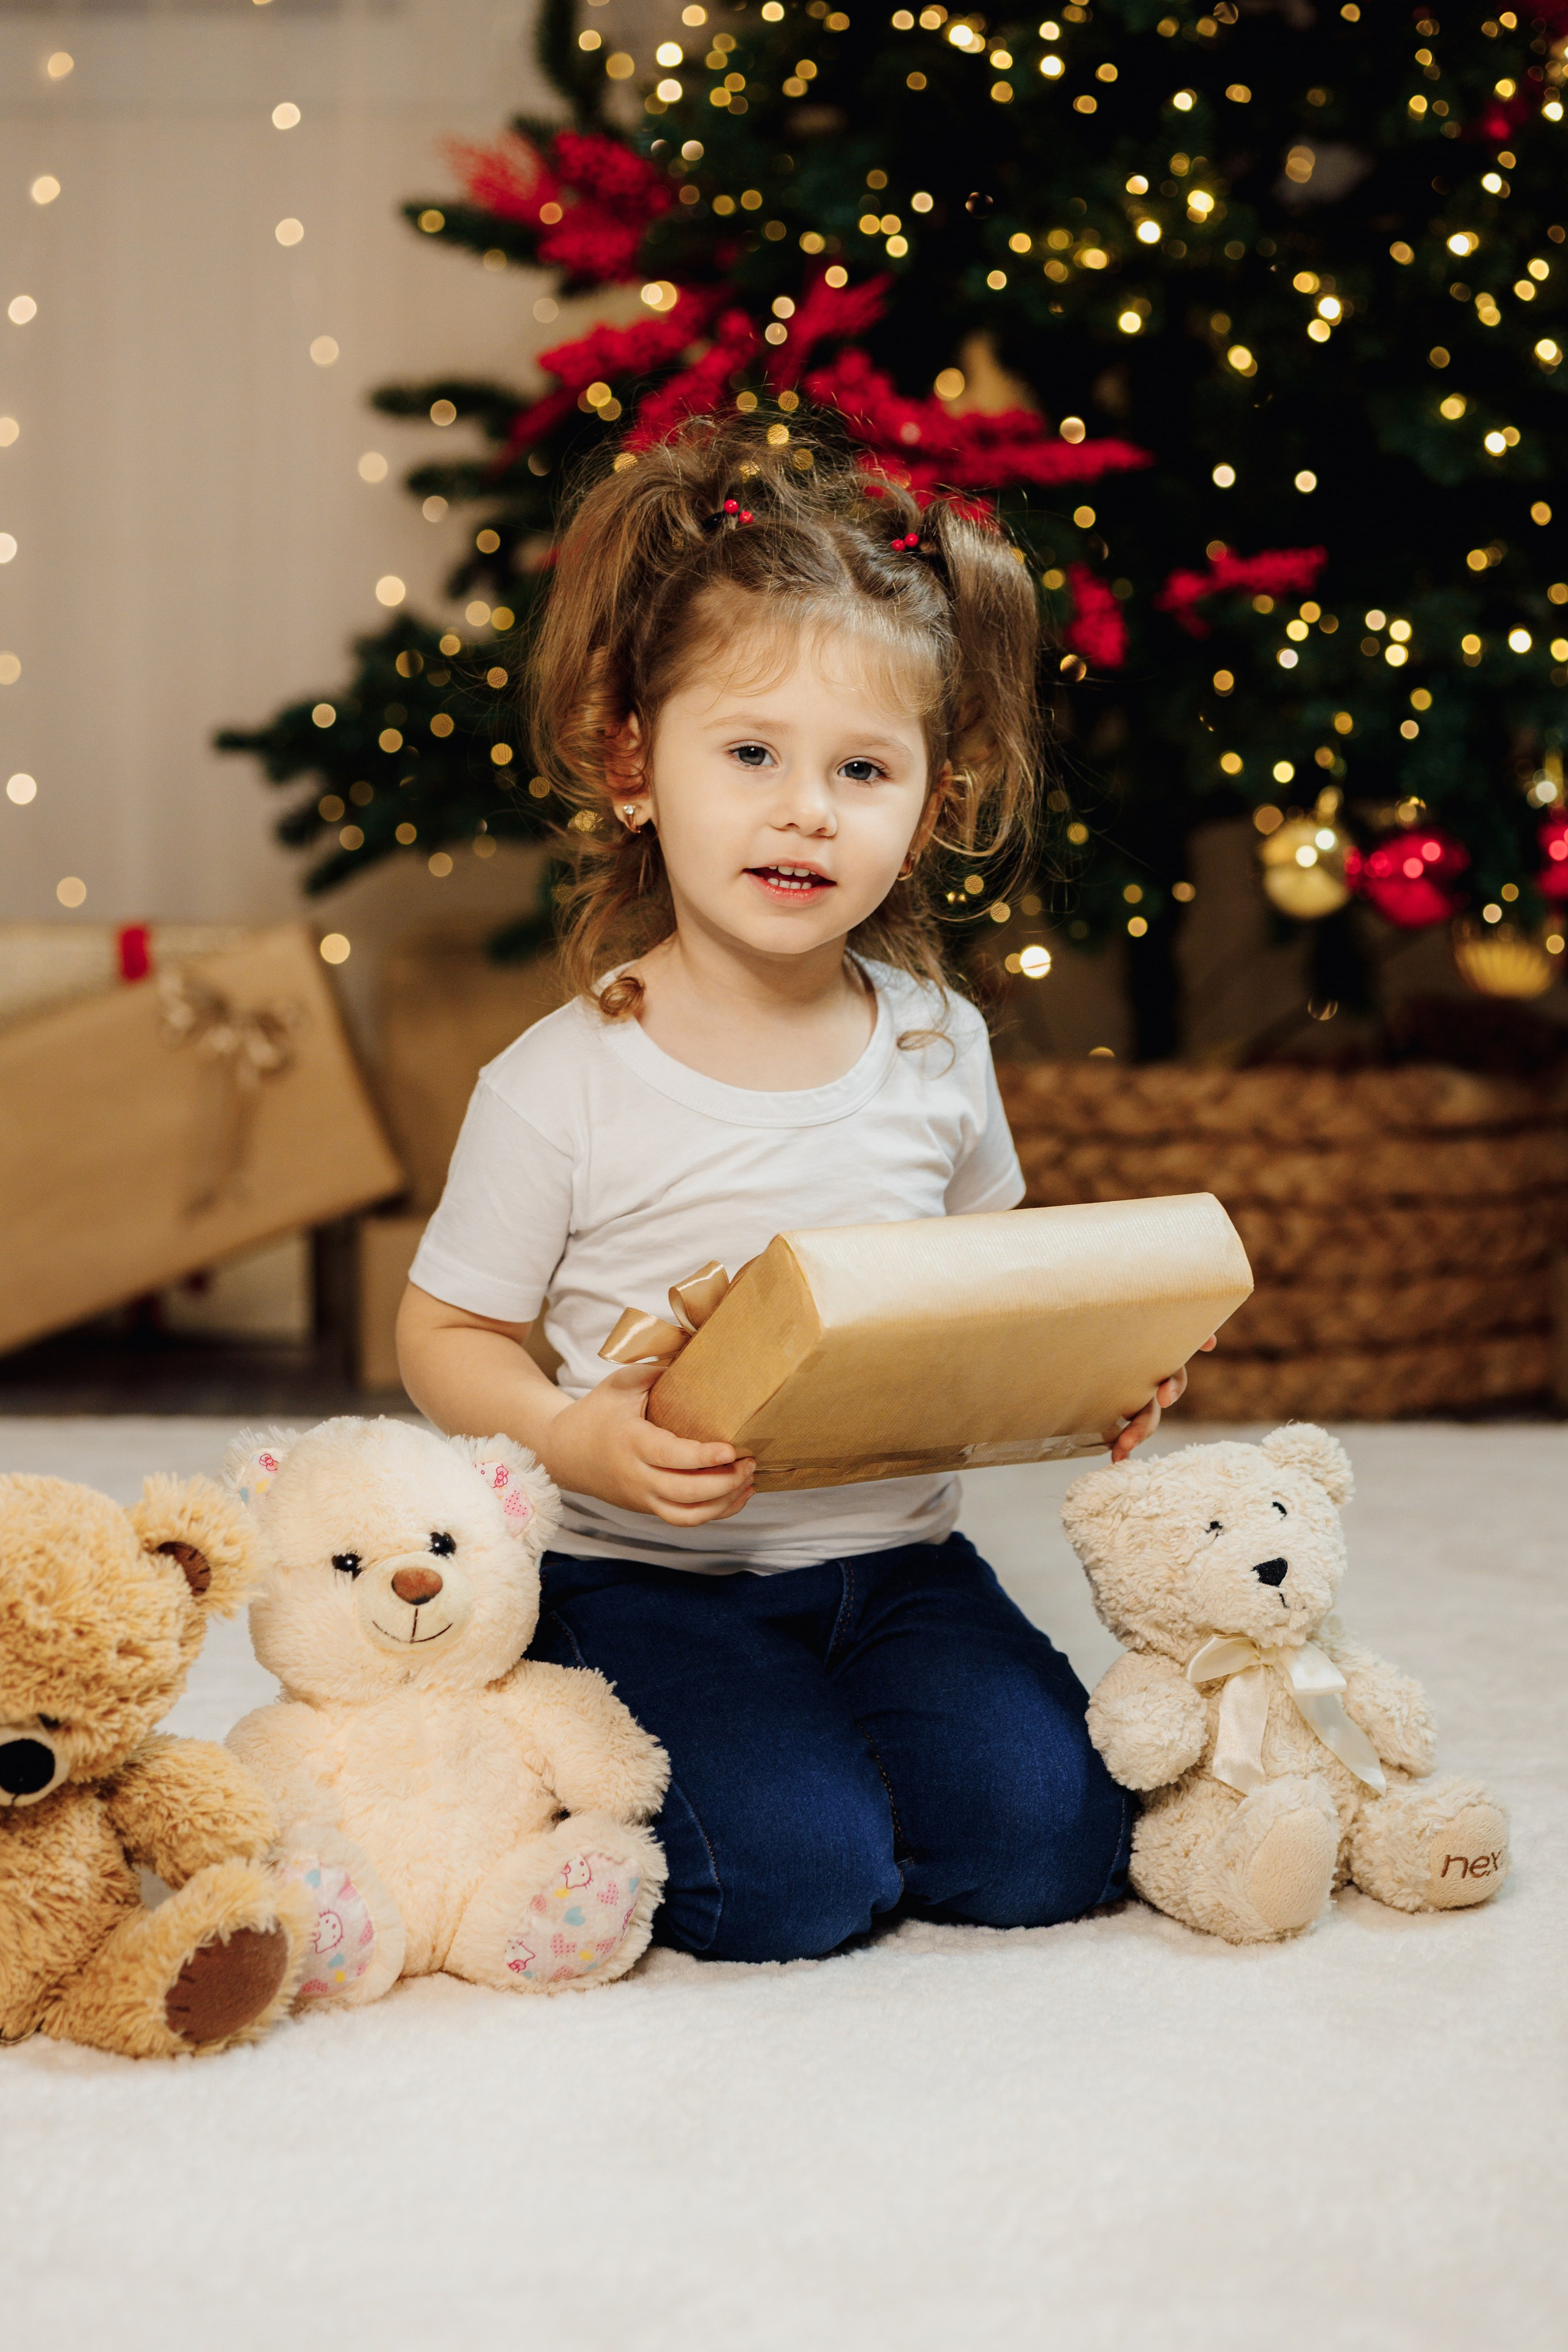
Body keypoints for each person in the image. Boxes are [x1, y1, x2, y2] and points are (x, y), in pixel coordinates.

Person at [397, 420, 1208, 1964]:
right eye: (750, 753)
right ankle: (564, 1738)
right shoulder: (558, 1083)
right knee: (793, 1891)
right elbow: (446, 1332)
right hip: (645, 1581)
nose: (805, 809)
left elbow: (982, 1280)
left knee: (1050, 1848)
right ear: (637, 765)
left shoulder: (930, 1042)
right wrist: (575, 1437)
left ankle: (839, 1743)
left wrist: (1095, 1365)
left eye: (861, 769)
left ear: (929, 803)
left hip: (897, 1565)